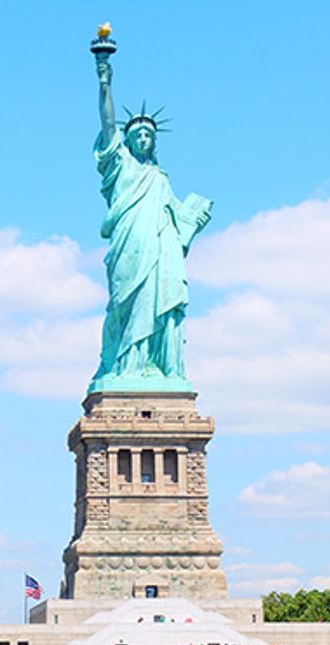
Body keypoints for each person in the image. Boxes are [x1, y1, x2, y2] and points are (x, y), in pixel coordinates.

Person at [90, 49, 212, 391]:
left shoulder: (160, 177)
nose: (143, 138)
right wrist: (104, 79)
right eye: (137, 134)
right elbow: (107, 123)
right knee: (123, 304)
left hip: (162, 248)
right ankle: (122, 366)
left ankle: (159, 367)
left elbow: (179, 220)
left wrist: (194, 219)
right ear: (127, 140)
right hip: (130, 244)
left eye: (148, 135)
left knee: (161, 303)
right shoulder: (119, 165)